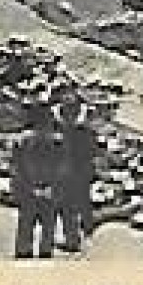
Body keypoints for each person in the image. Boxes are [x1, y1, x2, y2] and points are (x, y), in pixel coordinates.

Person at [12, 103, 63, 259]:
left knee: (35, 228)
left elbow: (17, 168)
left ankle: (32, 255)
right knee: (37, 228)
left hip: (38, 191)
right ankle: (32, 255)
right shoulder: (54, 144)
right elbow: (18, 169)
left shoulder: (24, 143)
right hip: (38, 191)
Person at [55, 92, 98, 253]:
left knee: (66, 206)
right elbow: (93, 150)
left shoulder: (65, 130)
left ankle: (72, 240)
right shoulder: (85, 128)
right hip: (83, 170)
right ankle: (88, 227)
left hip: (68, 172)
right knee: (83, 200)